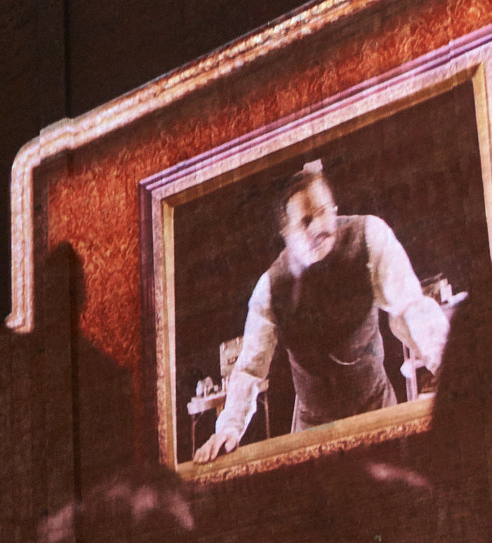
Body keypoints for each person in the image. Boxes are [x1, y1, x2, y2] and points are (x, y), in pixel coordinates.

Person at [193, 160, 450, 462]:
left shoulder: (370, 237)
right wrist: (228, 428)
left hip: (376, 407)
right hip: (313, 427)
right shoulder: (270, 287)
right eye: (305, 222)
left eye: (324, 212)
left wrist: (451, 367)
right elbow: (249, 369)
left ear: (335, 208)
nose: (319, 228)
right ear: (286, 233)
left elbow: (411, 308)